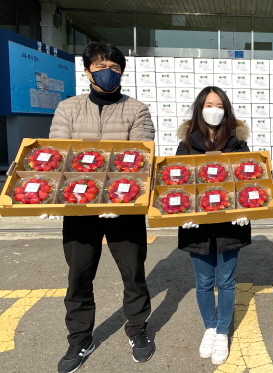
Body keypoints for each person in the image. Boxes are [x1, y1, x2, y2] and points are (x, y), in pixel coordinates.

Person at [49, 41, 155, 373]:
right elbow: (60, 153)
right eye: (99, 67)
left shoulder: (136, 109)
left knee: (133, 273)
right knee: (79, 276)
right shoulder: (68, 108)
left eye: (113, 67)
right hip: (79, 207)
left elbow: (141, 155)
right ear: (86, 71)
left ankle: (137, 330)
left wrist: (114, 196)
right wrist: (55, 193)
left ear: (121, 72)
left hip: (124, 204)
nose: (106, 73)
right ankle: (80, 338)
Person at [176, 86, 251, 365]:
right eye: (209, 104)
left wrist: (247, 210)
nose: (214, 110)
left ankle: (222, 331)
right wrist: (182, 211)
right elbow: (175, 183)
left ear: (226, 110)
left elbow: (249, 179)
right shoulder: (186, 144)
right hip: (196, 225)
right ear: (200, 108)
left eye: (219, 105)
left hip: (230, 224)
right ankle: (210, 327)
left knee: (227, 281)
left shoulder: (237, 143)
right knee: (204, 281)